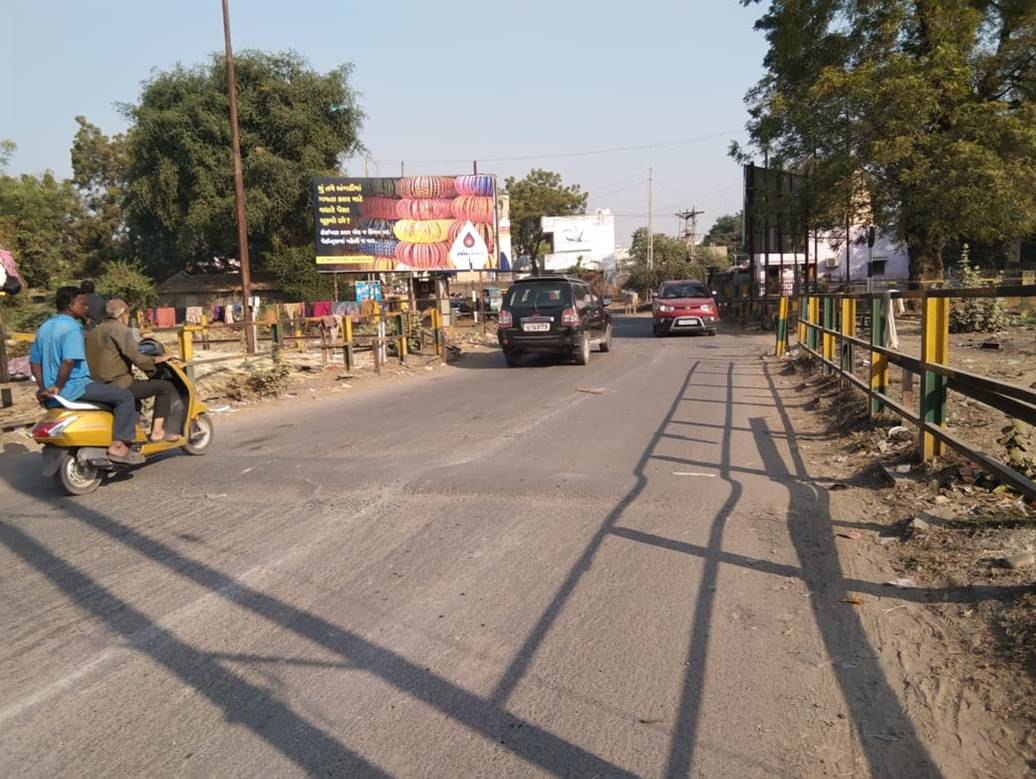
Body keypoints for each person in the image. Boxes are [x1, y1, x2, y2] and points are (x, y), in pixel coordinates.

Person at [30, 287, 143, 464]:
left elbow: (34, 362)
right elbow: (68, 361)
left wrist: (43, 387)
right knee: (125, 397)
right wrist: (58, 387)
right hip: (75, 387)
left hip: (52, 391)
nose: (87, 308)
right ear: (71, 305)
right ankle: (119, 445)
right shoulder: (72, 328)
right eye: (83, 304)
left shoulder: (44, 327)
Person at [86, 298, 179, 442]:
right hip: (119, 383)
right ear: (123, 315)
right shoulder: (122, 330)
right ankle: (157, 432)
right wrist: (157, 360)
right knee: (165, 387)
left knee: (137, 397)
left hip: (97, 385)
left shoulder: (92, 332)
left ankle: (135, 430)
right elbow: (138, 358)